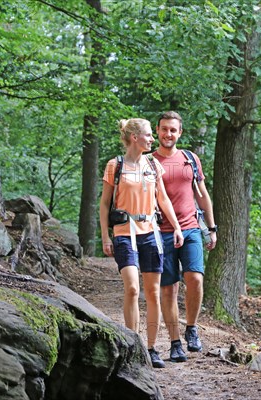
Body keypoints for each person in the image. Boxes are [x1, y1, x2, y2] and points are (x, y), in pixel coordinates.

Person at [99, 118, 184, 368]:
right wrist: (106, 235)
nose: (152, 139)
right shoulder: (115, 165)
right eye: (148, 135)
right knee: (133, 289)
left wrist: (176, 227)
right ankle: (132, 344)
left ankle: (150, 347)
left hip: (150, 233)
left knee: (153, 292)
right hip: (125, 232)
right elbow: (104, 203)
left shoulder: (153, 165)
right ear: (134, 137)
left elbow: (164, 199)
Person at [153, 111, 217, 362]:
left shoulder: (190, 159)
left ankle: (191, 327)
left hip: (190, 228)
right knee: (168, 290)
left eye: (173, 130)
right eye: (164, 129)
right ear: (157, 131)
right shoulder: (148, 162)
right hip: (160, 233)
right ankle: (174, 342)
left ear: (180, 133)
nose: (168, 134)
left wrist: (211, 228)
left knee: (195, 279)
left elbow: (202, 194)